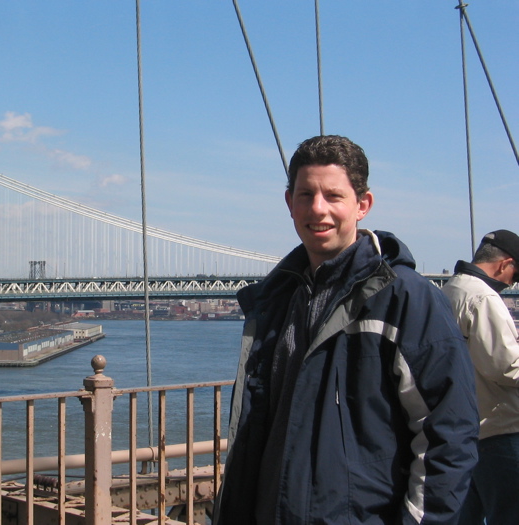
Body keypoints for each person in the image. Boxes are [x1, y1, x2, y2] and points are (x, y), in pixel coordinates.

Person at [214, 135, 478, 524]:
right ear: (289, 203)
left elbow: (449, 436)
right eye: (305, 195)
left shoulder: (406, 299)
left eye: (333, 196)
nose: (317, 209)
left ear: (363, 205)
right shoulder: (274, 302)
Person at [441, 230, 519, 525]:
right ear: (504, 264)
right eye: (516, 274)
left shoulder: (450, 289)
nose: (512, 283)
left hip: (464, 430)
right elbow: (506, 366)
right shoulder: (484, 297)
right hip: (500, 430)